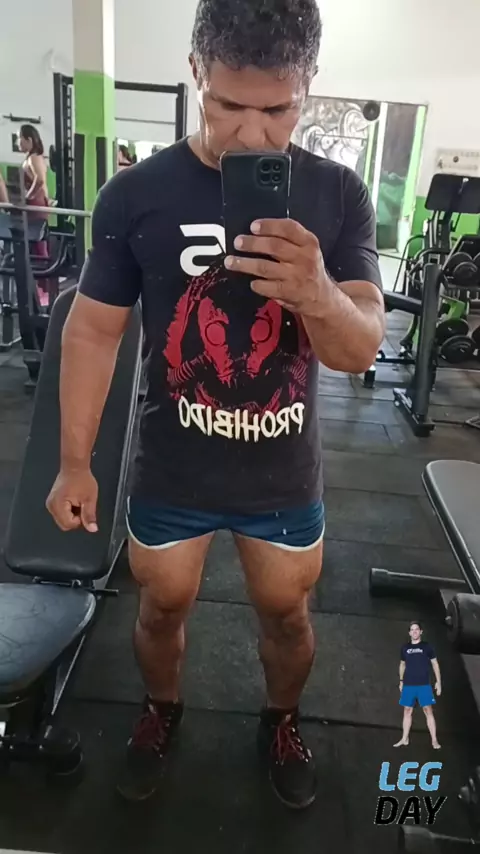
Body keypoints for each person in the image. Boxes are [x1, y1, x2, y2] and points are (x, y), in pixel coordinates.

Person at [46, 0, 385, 809]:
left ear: (308, 85)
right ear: (196, 71)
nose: (253, 133)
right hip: (174, 465)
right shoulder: (135, 194)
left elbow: (360, 348)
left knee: (287, 615)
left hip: (282, 472)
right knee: (161, 606)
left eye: (279, 109)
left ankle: (282, 720)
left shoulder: (338, 194)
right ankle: (161, 710)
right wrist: (73, 463)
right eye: (228, 105)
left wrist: (316, 292)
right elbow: (93, 331)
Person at [18, 124, 52, 307]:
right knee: (36, 247)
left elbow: (40, 180)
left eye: (20, 138)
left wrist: (28, 197)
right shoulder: (34, 157)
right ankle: (41, 289)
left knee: (39, 247)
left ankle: (45, 289)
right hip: (37, 206)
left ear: (29, 140)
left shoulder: (33, 158)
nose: (18, 142)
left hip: (36, 207)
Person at [395, 621, 442, 750]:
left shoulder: (427, 647)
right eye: (412, 630)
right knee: (407, 711)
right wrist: (401, 681)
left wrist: (438, 682)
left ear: (421, 632)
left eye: (417, 629)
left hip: (423, 685)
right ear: (409, 633)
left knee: (428, 711)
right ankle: (404, 738)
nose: (414, 631)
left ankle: (434, 740)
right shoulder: (405, 648)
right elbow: (402, 665)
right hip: (409, 685)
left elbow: (435, 664)